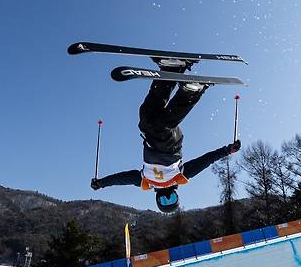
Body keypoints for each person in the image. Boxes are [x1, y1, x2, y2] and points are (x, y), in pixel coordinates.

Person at [91, 61, 241, 213]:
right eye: (172, 199)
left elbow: (122, 179)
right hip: (170, 146)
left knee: (145, 117)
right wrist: (227, 150)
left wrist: (102, 183)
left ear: (157, 199)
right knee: (160, 127)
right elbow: (205, 161)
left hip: (150, 140)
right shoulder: (180, 177)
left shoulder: (145, 181)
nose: (167, 195)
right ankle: (191, 92)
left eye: (164, 200)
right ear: (176, 195)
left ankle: (172, 69)